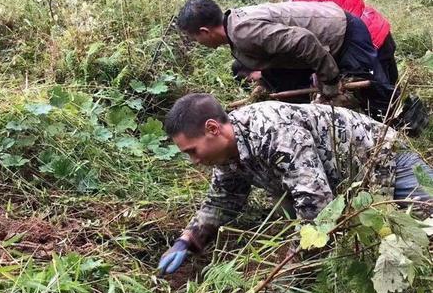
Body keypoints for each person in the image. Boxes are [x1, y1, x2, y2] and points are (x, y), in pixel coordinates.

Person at [158, 93, 432, 274]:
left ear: (212, 129)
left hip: (384, 158)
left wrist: (289, 268)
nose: (193, 161)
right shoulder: (226, 153)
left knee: (425, 231)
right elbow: (222, 199)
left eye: (192, 151)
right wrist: (188, 239)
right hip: (340, 179)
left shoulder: (272, 130)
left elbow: (315, 203)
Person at [177, 0, 397, 121]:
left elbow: (304, 42)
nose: (197, 42)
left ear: (204, 31)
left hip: (343, 32)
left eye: (194, 37)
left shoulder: (245, 32)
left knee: (376, 97)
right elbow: (277, 55)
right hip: (326, 36)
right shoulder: (234, 25)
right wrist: (266, 86)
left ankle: (402, 132)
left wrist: (330, 80)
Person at [281, 0, 398, 84]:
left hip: (366, 45)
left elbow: (318, 41)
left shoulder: (302, 0)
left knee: (382, 98)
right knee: (394, 93)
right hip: (378, 29)